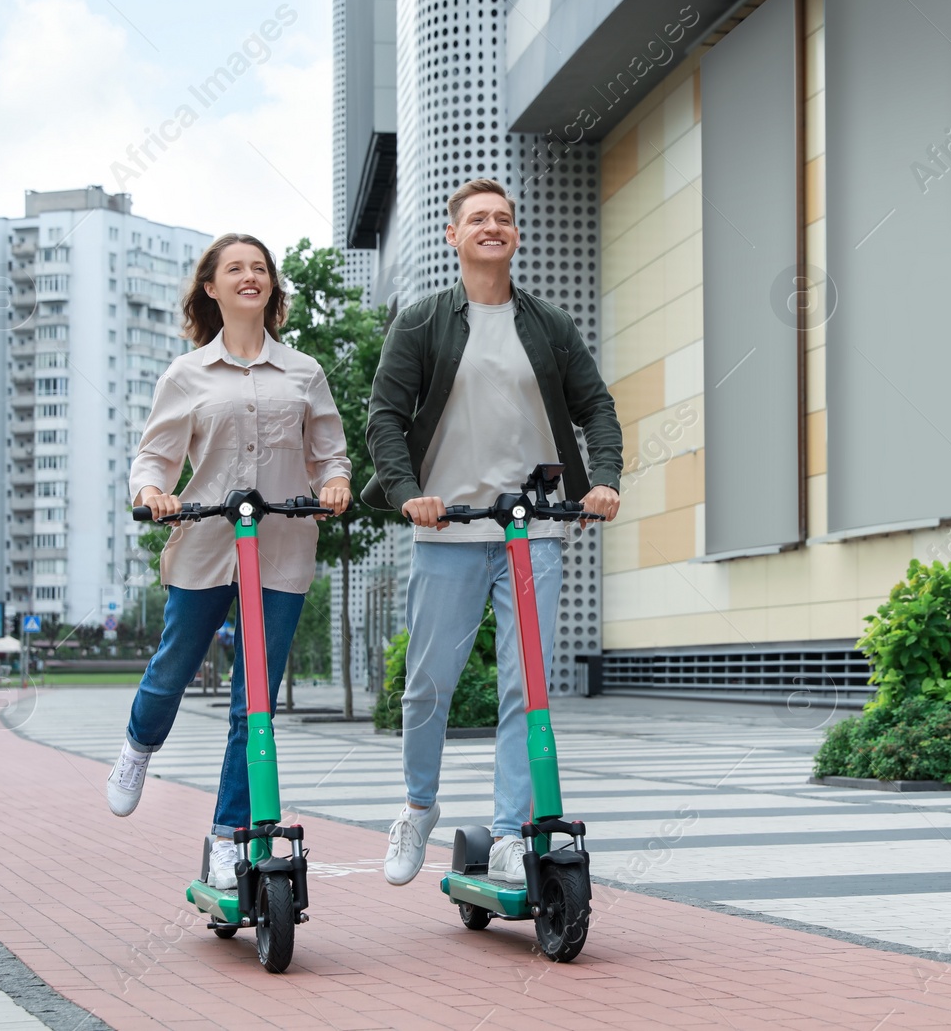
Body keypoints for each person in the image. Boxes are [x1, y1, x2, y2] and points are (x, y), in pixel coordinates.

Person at [363, 178, 622, 886]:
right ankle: (418, 806)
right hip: (449, 528)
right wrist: (411, 493)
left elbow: (595, 405)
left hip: (533, 528)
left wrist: (603, 480)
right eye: (477, 218)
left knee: (526, 686)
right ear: (454, 235)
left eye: (503, 218)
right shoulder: (422, 321)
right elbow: (383, 414)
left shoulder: (548, 324)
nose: (492, 226)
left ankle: (510, 832)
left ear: (515, 235)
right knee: (427, 685)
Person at [106, 233, 352, 891]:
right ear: (210, 287)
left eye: (260, 267)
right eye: (235, 268)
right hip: (208, 540)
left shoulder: (304, 372)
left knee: (256, 704)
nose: (251, 275)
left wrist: (334, 484)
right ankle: (137, 747)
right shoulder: (185, 374)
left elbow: (331, 453)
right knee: (173, 668)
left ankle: (229, 838)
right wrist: (152, 491)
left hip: (282, 545)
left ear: (272, 287)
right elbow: (153, 457)